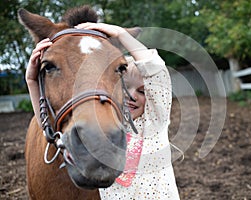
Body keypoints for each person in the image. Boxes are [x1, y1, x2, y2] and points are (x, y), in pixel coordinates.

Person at [26, 22, 180, 200]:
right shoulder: (110, 120)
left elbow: (155, 70)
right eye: (125, 89)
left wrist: (121, 34)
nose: (131, 96)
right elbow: (45, 126)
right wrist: (31, 80)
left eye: (142, 91)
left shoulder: (154, 123)